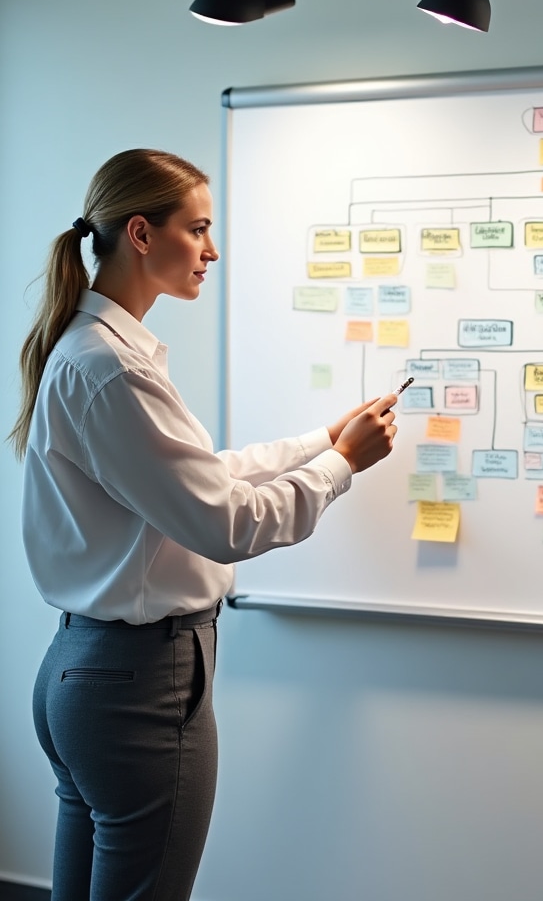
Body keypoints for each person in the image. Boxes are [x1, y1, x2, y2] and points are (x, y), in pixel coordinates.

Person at [8, 148, 399, 901]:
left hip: (85, 672)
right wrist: (342, 466)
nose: (212, 251)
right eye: (199, 229)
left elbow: (199, 477)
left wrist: (322, 441)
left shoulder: (96, 353)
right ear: (142, 234)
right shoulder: (112, 369)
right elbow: (225, 523)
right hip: (137, 687)